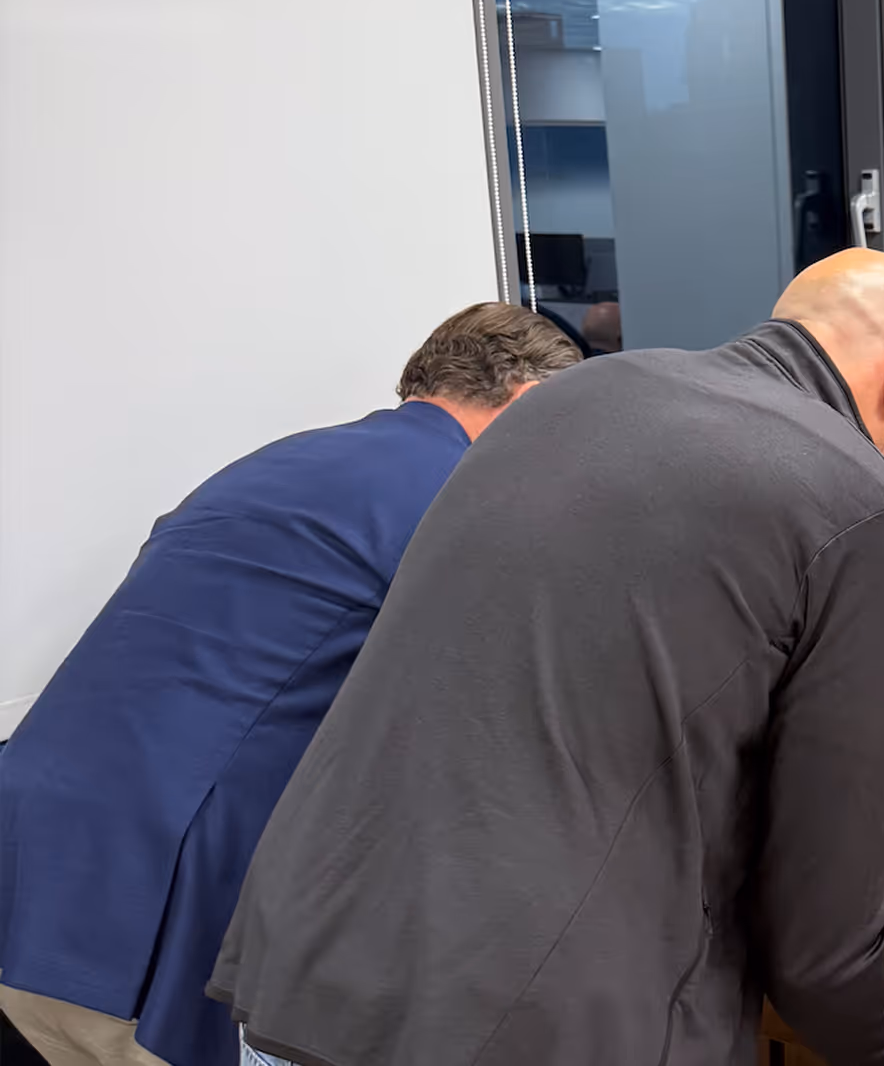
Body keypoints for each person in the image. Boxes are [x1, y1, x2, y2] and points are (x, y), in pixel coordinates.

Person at [208, 249, 884, 1066]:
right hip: (523, 1026)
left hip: (301, 972)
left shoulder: (567, 396)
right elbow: (818, 942)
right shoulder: (876, 513)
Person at [0, 303, 582, 1066]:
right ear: (531, 401)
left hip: (31, 855)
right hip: (164, 898)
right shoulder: (464, 495)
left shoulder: (278, 462)